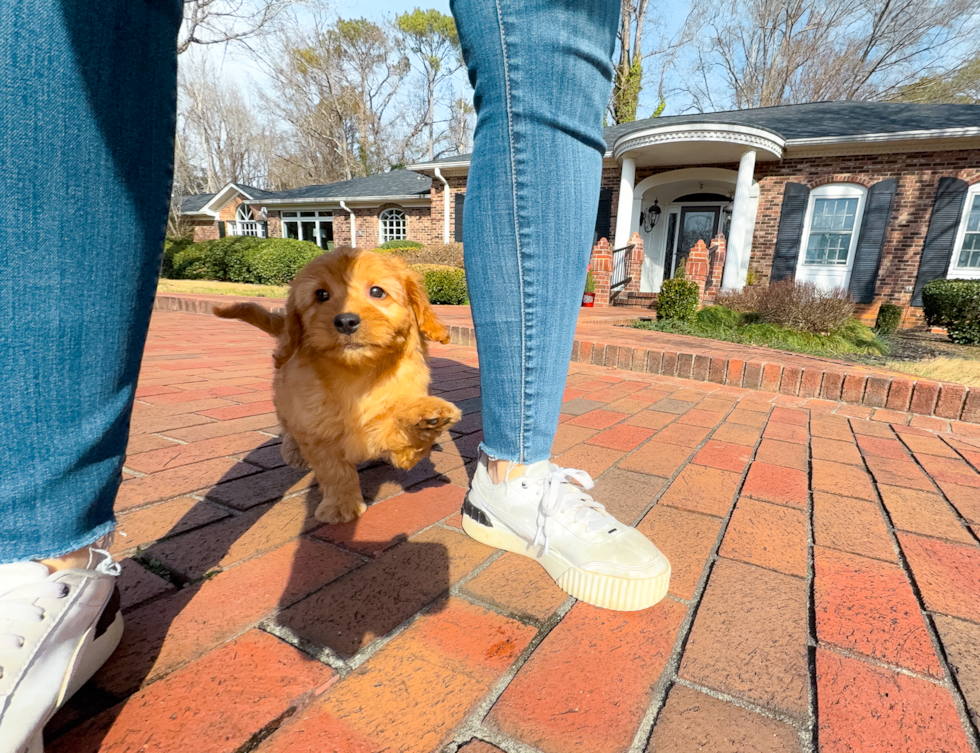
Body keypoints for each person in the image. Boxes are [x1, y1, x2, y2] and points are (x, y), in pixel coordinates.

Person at [0, 0, 668, 750]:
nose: (347, 312)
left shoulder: (408, 340)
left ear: (412, 306)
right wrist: (337, 476)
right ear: (296, 318)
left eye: (374, 294)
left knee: (551, 42)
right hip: (316, 406)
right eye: (324, 300)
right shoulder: (302, 357)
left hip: (390, 387)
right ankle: (42, 556)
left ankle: (516, 476)